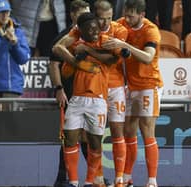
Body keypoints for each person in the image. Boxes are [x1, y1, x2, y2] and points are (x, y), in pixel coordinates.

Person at [102, 0, 164, 186]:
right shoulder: (121, 24)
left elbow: (147, 57)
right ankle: (126, 177)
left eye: (131, 16)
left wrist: (125, 45)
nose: (127, 19)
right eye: (126, 15)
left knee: (147, 131)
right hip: (129, 85)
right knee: (128, 131)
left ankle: (152, 180)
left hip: (148, 84)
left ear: (142, 15)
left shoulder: (150, 30)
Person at [53, 12, 119, 187]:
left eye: (96, 28)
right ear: (81, 30)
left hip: (97, 100)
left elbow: (113, 59)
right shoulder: (75, 46)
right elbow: (64, 66)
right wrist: (77, 62)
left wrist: (89, 51)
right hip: (77, 98)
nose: (94, 32)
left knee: (95, 142)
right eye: (89, 29)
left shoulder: (105, 42)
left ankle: (90, 182)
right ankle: (74, 182)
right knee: (70, 139)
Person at [49, 1, 90, 186]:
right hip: (70, 94)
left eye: (88, 14)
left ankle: (94, 176)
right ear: (73, 15)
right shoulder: (63, 37)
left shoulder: (92, 35)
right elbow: (54, 64)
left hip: (89, 93)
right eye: (82, 15)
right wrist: (59, 89)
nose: (87, 18)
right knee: (69, 137)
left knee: (89, 136)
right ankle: (62, 178)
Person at [93, 0, 128, 186]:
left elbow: (114, 59)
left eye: (109, 18)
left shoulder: (120, 30)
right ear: (95, 16)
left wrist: (93, 51)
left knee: (117, 132)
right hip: (95, 88)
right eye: (101, 19)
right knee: (96, 134)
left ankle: (119, 178)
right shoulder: (88, 30)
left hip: (115, 88)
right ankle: (98, 178)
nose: (105, 23)